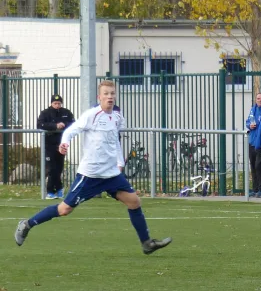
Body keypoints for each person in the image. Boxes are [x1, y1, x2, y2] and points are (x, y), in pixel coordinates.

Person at [15, 80, 172, 255]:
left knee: (134, 202)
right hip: (91, 175)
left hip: (111, 174)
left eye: (112, 93)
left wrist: (120, 163)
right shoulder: (92, 115)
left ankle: (146, 243)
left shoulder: (118, 117)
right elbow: (70, 131)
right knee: (64, 209)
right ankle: (27, 224)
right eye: (106, 94)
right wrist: (64, 143)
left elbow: (115, 142)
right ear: (99, 97)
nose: (110, 97)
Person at [37, 94, 75, 199]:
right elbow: (40, 125)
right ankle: (51, 191)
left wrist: (64, 125)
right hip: (49, 144)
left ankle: (58, 190)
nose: (57, 105)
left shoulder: (66, 112)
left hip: (61, 143)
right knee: (52, 168)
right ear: (51, 103)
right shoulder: (45, 113)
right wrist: (55, 126)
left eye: (59, 103)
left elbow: (73, 124)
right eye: (55, 103)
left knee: (59, 168)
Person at [246, 93, 261, 198]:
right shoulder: (253, 110)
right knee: (253, 166)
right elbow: (248, 122)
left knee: (259, 166)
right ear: (256, 99)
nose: (260, 100)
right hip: (252, 141)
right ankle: (255, 189)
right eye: (258, 98)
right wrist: (249, 125)